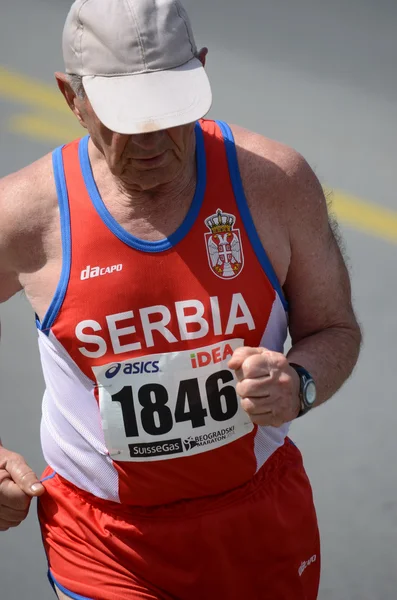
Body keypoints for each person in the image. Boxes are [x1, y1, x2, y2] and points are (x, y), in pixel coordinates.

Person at [0, 0, 361, 598]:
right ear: (72, 98)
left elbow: (336, 330)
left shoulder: (276, 182)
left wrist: (300, 383)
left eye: (169, 112)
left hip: (259, 525)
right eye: (123, 118)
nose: (149, 141)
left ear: (201, 69)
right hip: (104, 541)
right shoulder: (25, 215)